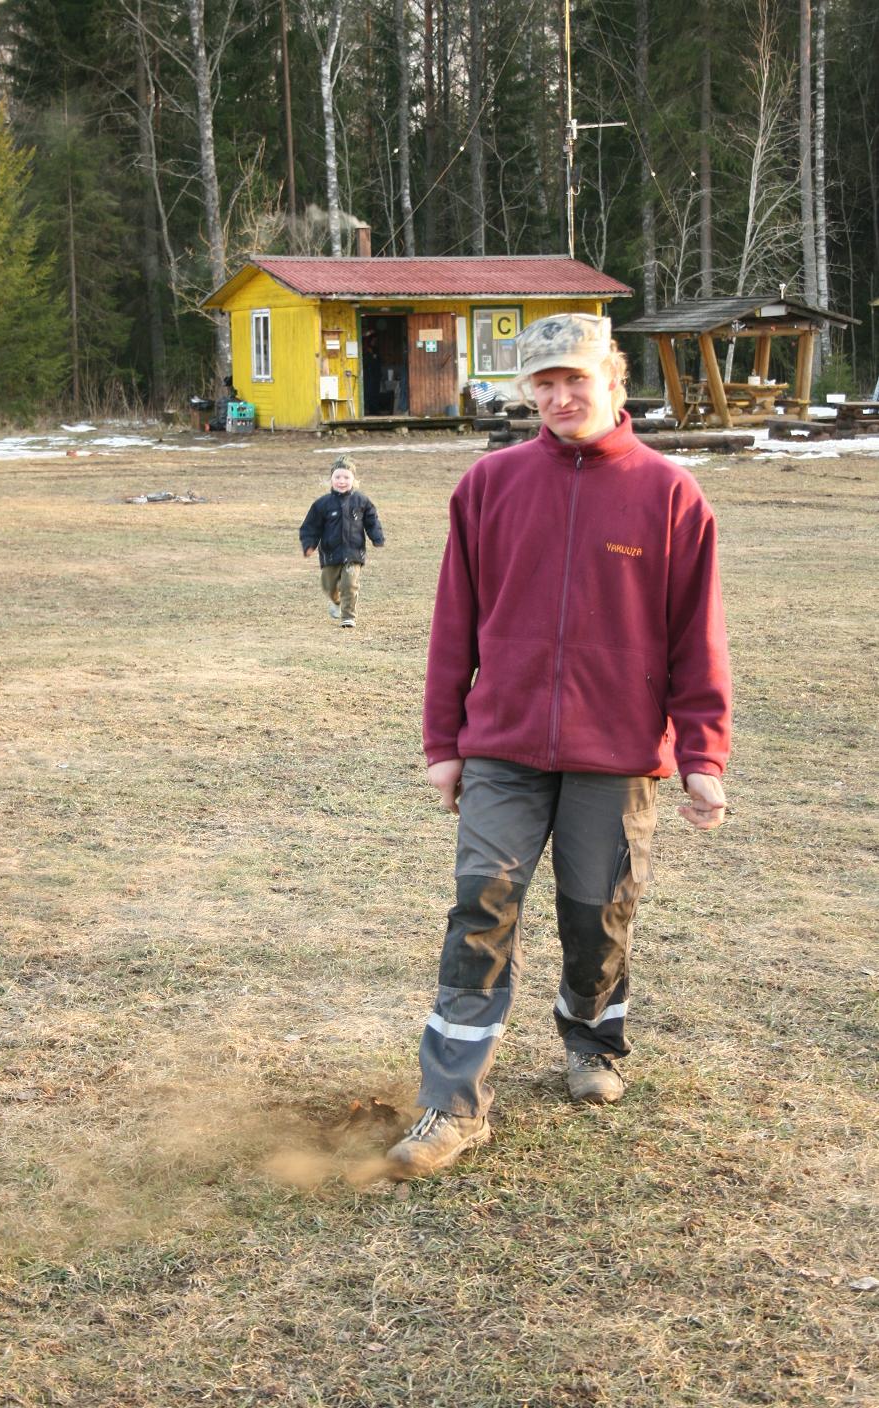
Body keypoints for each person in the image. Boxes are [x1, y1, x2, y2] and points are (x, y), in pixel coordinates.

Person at [386, 312, 731, 1180]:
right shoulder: (489, 485)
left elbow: (698, 638)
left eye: (575, 378)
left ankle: (590, 1033)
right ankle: (454, 1104)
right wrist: (443, 740)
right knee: (480, 908)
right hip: (502, 746)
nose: (559, 396)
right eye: (543, 383)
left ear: (613, 381)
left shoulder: (670, 494)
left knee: (595, 914)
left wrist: (703, 757)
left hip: (617, 755)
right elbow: (453, 623)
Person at [299, 455, 385, 628]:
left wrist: (377, 537)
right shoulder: (322, 504)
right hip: (330, 553)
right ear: (331, 479)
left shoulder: (362, 501)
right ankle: (336, 601)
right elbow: (310, 526)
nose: (342, 481)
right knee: (328, 585)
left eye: (346, 477)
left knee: (350, 584)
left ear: (354, 480)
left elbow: (372, 521)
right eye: (337, 477)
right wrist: (309, 544)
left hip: (354, 552)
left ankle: (348, 616)